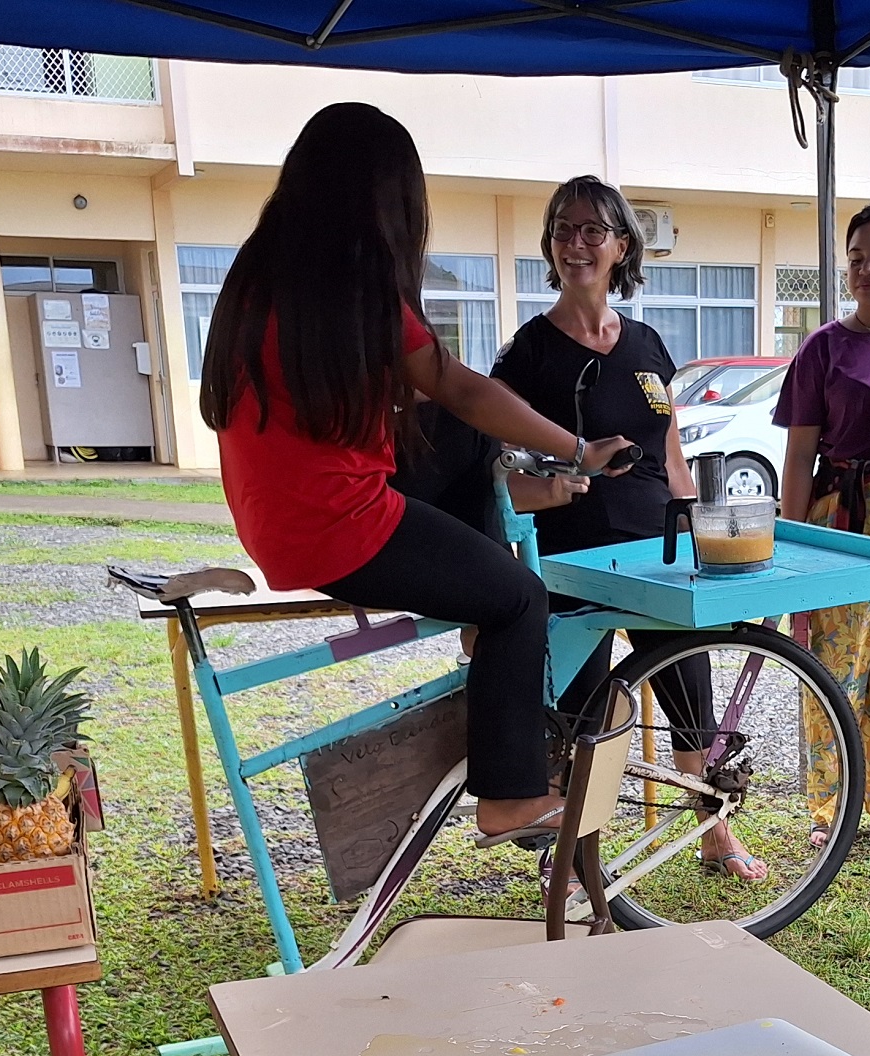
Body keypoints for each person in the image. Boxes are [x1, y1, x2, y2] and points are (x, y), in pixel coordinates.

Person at [204, 104, 632, 847]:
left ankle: (479, 611)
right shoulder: (357, 279)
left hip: (279, 516)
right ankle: (509, 794)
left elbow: (446, 405)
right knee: (521, 598)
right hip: (339, 523)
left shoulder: (259, 270)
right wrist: (577, 447)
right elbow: (458, 383)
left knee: (462, 435)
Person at [491, 174, 765, 879]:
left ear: (620, 246)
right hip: (571, 555)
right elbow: (498, 475)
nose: (575, 243)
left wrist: (705, 541)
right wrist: (547, 494)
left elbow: (672, 458)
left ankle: (714, 830)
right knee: (586, 713)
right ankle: (577, 854)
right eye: (562, 230)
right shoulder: (528, 354)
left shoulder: (646, 345)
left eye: (591, 231)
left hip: (659, 551)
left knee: (688, 688)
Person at [779, 201, 870, 851]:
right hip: (835, 513)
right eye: (858, 258)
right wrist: (788, 545)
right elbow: (796, 456)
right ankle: (830, 805)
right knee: (834, 663)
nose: (867, 269)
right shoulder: (822, 348)